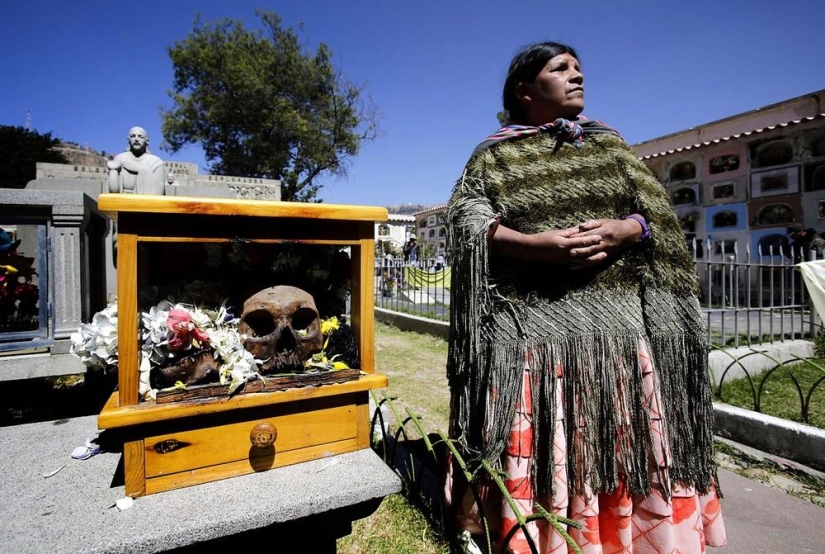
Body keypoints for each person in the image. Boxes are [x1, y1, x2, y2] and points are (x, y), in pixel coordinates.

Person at [443, 41, 725, 553]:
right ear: (525, 92)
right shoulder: (495, 153)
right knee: (550, 444)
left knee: (622, 445)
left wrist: (627, 229)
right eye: (560, 68)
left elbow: (655, 211)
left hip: (619, 333)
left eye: (579, 68)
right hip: (533, 334)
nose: (577, 76)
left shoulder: (609, 144)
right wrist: (533, 246)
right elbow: (465, 221)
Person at [107, 126, 166, 195]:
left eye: (140, 136)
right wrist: (113, 171)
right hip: (123, 202)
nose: (136, 139)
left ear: (147, 141)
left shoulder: (156, 162)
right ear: (129, 140)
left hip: (145, 204)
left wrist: (140, 169)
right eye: (133, 136)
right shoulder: (120, 159)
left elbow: (159, 191)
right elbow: (112, 191)